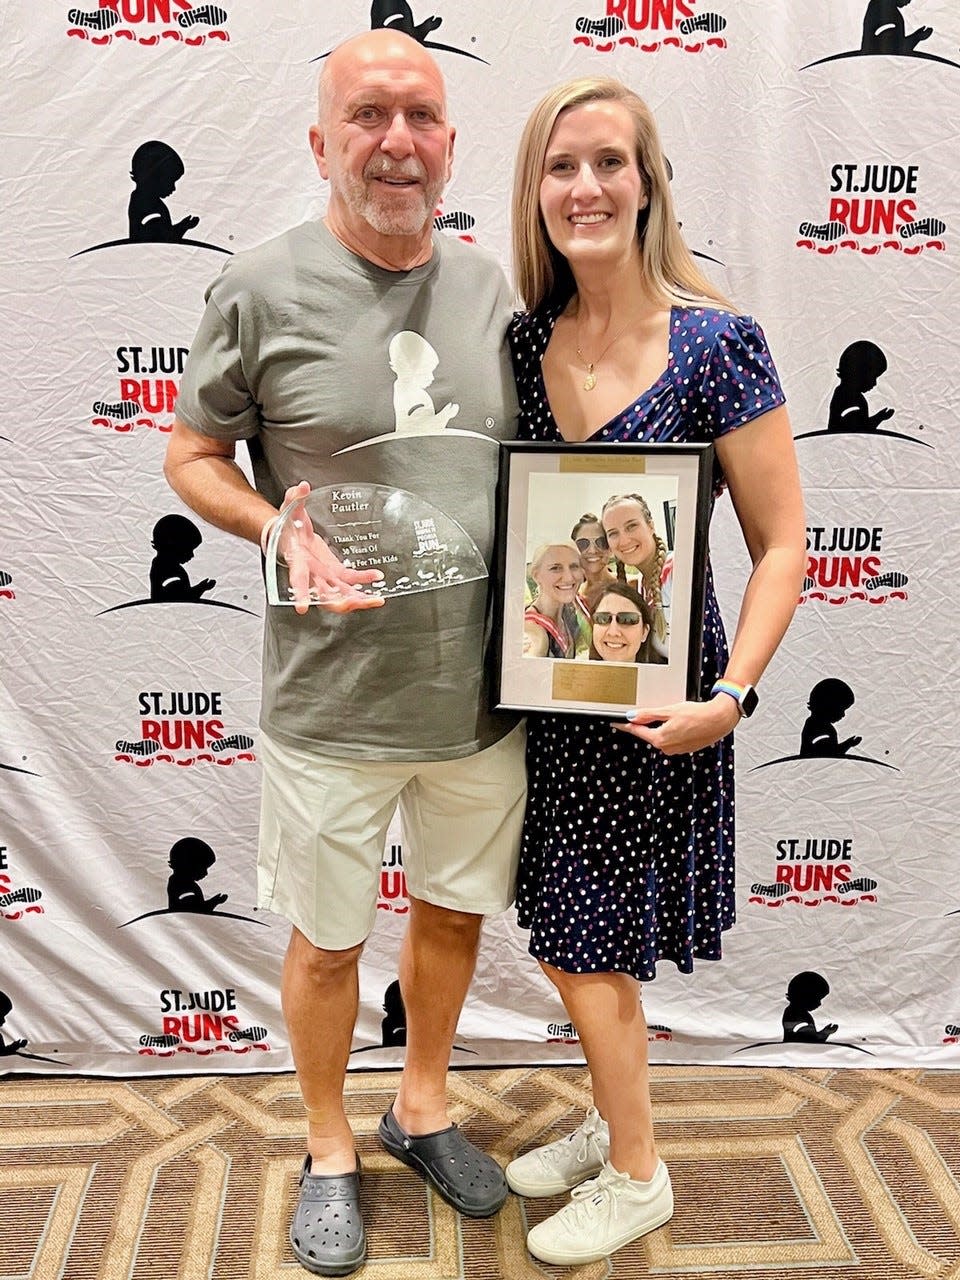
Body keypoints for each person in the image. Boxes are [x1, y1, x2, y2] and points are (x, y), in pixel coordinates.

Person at [163, 30, 525, 1277]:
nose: (396, 141)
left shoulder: (493, 290)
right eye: (367, 116)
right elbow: (190, 456)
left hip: (483, 697)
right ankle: (327, 1141)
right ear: (322, 141)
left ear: (449, 144)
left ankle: (421, 1102)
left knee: (450, 910)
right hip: (330, 695)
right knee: (326, 939)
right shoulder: (257, 288)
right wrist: (278, 532)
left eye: (419, 116)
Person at [504, 77, 805, 1267]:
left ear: (648, 182)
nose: (585, 187)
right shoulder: (523, 342)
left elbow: (784, 543)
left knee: (595, 941)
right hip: (545, 699)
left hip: (666, 710)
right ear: (536, 191)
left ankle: (639, 1170)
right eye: (560, 165)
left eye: (608, 163)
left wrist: (731, 697)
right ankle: (610, 1115)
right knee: (575, 936)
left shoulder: (719, 343)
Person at [600, 492, 671, 657]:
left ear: (651, 525)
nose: (624, 540)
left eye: (631, 526)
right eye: (613, 533)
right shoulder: (638, 589)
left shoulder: (677, 571)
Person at [524, 541, 590, 657]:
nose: (568, 578)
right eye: (555, 568)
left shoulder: (569, 610)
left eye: (574, 567)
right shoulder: (534, 632)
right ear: (536, 575)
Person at [589, 584, 657, 664]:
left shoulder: (667, 676)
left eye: (627, 619)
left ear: (644, 632)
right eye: (602, 618)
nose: (613, 632)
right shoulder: (573, 673)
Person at [570, 513, 619, 611]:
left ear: (610, 548)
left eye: (601, 542)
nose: (592, 550)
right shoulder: (571, 596)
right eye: (583, 544)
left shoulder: (634, 585)